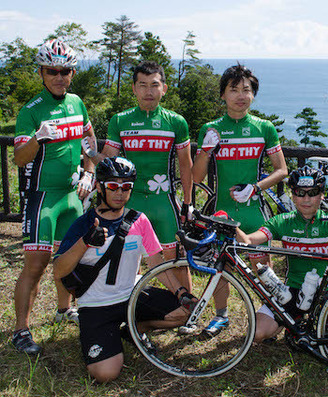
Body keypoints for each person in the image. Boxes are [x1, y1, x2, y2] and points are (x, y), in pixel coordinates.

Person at [53, 157, 191, 383]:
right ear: (99, 187)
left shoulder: (139, 220)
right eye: (113, 186)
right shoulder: (84, 223)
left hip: (131, 295)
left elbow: (156, 263)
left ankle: (132, 329)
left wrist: (181, 293)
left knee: (184, 312)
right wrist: (85, 243)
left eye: (126, 187)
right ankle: (105, 336)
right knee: (105, 374)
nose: (120, 192)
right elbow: (58, 270)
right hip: (96, 304)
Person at [12, 39, 97, 355]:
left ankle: (64, 310)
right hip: (42, 198)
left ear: (72, 72)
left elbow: (89, 138)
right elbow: (20, 159)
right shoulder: (31, 111)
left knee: (68, 260)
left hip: (72, 196)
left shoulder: (76, 102)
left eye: (65, 71)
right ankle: (21, 330)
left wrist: (89, 171)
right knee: (35, 267)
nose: (59, 77)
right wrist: (37, 138)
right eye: (51, 71)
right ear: (41, 72)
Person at [192, 64, 288, 337]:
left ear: (253, 95)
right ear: (222, 94)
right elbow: (197, 177)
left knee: (263, 267)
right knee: (218, 266)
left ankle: (270, 312)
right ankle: (221, 316)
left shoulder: (264, 127)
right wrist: (206, 151)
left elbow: (282, 170)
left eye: (246, 90)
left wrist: (255, 188)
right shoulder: (211, 129)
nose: (241, 95)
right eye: (233, 89)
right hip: (221, 211)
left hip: (255, 210)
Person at [236, 166, 328, 342]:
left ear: (321, 195)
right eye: (300, 192)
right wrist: (231, 226)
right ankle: (294, 320)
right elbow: (249, 241)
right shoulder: (283, 221)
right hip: (290, 293)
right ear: (293, 195)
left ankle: (318, 322)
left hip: (325, 292)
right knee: (256, 334)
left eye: (312, 192)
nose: (306, 199)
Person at [98, 60, 193, 296]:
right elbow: (108, 162)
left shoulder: (176, 122)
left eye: (154, 85)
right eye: (142, 85)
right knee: (125, 258)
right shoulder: (120, 120)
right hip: (130, 201)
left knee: (174, 259)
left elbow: (185, 165)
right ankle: (125, 307)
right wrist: (89, 153)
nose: (148, 91)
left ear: (164, 88)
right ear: (133, 88)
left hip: (164, 201)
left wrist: (188, 203)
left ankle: (187, 311)